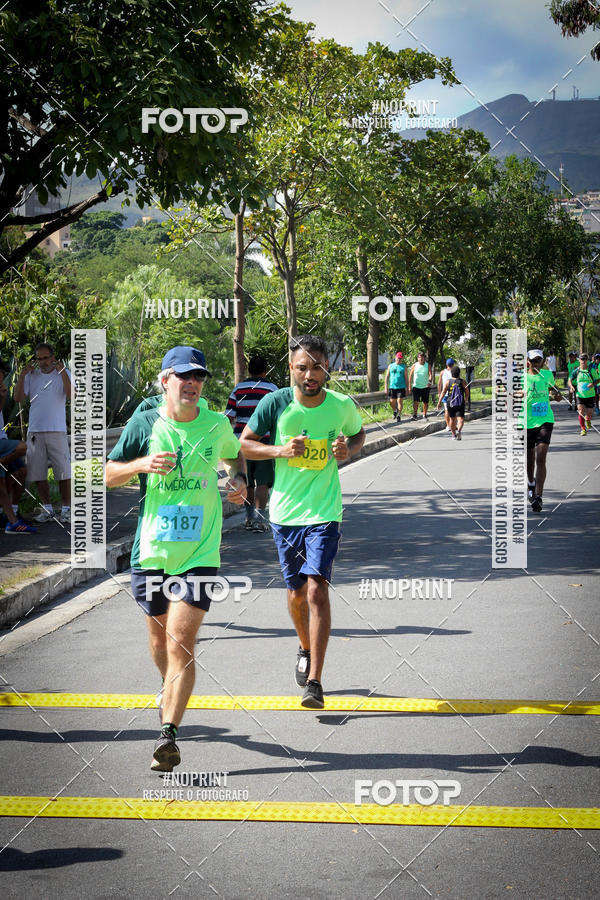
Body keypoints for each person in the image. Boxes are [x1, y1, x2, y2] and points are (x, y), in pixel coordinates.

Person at [106, 346, 247, 772]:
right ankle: (167, 686)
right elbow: (108, 475)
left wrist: (238, 479)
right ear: (165, 380)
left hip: (200, 552)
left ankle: (167, 734)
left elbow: (234, 453)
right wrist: (142, 464)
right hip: (152, 551)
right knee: (159, 643)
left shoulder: (216, 424)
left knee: (180, 642)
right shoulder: (146, 422)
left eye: (199, 376)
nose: (193, 383)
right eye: (184, 376)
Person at [240, 335, 365, 709]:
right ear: (291, 368)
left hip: (324, 512)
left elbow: (358, 434)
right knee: (295, 594)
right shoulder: (275, 403)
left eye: (318, 367)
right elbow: (244, 444)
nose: (310, 375)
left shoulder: (340, 405)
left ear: (328, 368)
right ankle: (304, 646)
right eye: (303, 367)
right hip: (285, 514)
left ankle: (315, 682)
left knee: (316, 591)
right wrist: (279, 450)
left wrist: (348, 449)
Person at [13, 343, 72, 524]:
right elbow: (17, 398)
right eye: (39, 359)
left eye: (46, 358)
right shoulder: (31, 375)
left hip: (57, 430)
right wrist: (22, 375)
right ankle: (47, 510)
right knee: (38, 474)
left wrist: (62, 373)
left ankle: (66, 510)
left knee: (63, 473)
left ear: (53, 357)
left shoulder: (65, 373)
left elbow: (72, 395)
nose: (43, 362)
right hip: (35, 431)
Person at [225, 355, 278, 531]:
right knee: (263, 482)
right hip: (264, 445)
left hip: (241, 445)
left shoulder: (238, 389)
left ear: (249, 370)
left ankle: (249, 518)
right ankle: (261, 520)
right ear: (265, 370)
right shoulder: (272, 390)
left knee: (247, 482)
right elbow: (279, 417)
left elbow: (228, 417)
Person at [523, 350, 563, 513]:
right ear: (528, 361)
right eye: (533, 361)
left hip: (545, 420)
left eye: (538, 361)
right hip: (526, 422)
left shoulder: (547, 375)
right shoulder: (521, 378)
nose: (535, 364)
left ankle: (538, 497)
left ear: (542, 362)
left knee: (541, 458)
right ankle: (531, 483)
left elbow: (555, 393)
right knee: (530, 459)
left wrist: (557, 396)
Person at [0, 361, 36, 533]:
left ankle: (12, 514)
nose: (2, 378)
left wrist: (2, 397)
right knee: (22, 447)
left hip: (3, 439)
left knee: (20, 472)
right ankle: (11, 521)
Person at [568, 352, 599, 436]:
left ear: (587, 360)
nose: (583, 361)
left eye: (585, 359)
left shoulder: (591, 370)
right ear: (579, 360)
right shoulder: (577, 371)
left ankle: (588, 419)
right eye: (582, 359)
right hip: (580, 395)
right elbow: (570, 379)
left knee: (589, 413)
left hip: (590, 395)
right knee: (581, 411)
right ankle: (583, 429)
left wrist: (593, 384)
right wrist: (571, 387)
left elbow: (598, 379)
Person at [438, 365, 469, 440]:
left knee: (452, 419)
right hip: (460, 403)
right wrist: (466, 399)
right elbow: (467, 392)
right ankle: (459, 431)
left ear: (451, 373)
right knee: (460, 419)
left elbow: (443, 392)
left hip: (450, 403)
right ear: (459, 373)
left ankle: (454, 435)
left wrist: (439, 402)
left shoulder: (448, 382)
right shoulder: (463, 381)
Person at [408, 351, 432, 420]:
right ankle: (415, 414)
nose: (421, 359)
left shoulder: (428, 365)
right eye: (419, 357)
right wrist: (409, 386)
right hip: (416, 386)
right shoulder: (414, 365)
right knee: (416, 401)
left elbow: (430, 375)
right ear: (417, 358)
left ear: (424, 358)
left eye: (422, 357)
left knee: (425, 402)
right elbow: (410, 376)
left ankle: (424, 415)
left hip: (425, 386)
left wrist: (429, 381)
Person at [383, 351, 407, 422]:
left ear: (402, 359)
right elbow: (387, 377)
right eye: (398, 358)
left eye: (400, 358)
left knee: (399, 401)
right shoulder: (391, 366)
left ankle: (399, 415)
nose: (399, 359)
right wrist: (386, 387)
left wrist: (407, 387)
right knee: (391, 402)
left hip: (401, 387)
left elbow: (406, 377)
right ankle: (395, 410)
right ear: (395, 358)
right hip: (392, 387)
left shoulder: (403, 366)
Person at [436, 357, 455, 432]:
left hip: (445, 394)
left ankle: (448, 426)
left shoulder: (442, 372)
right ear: (453, 364)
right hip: (453, 394)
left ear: (447, 364)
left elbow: (439, 384)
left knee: (447, 410)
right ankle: (452, 424)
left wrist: (439, 393)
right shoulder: (454, 372)